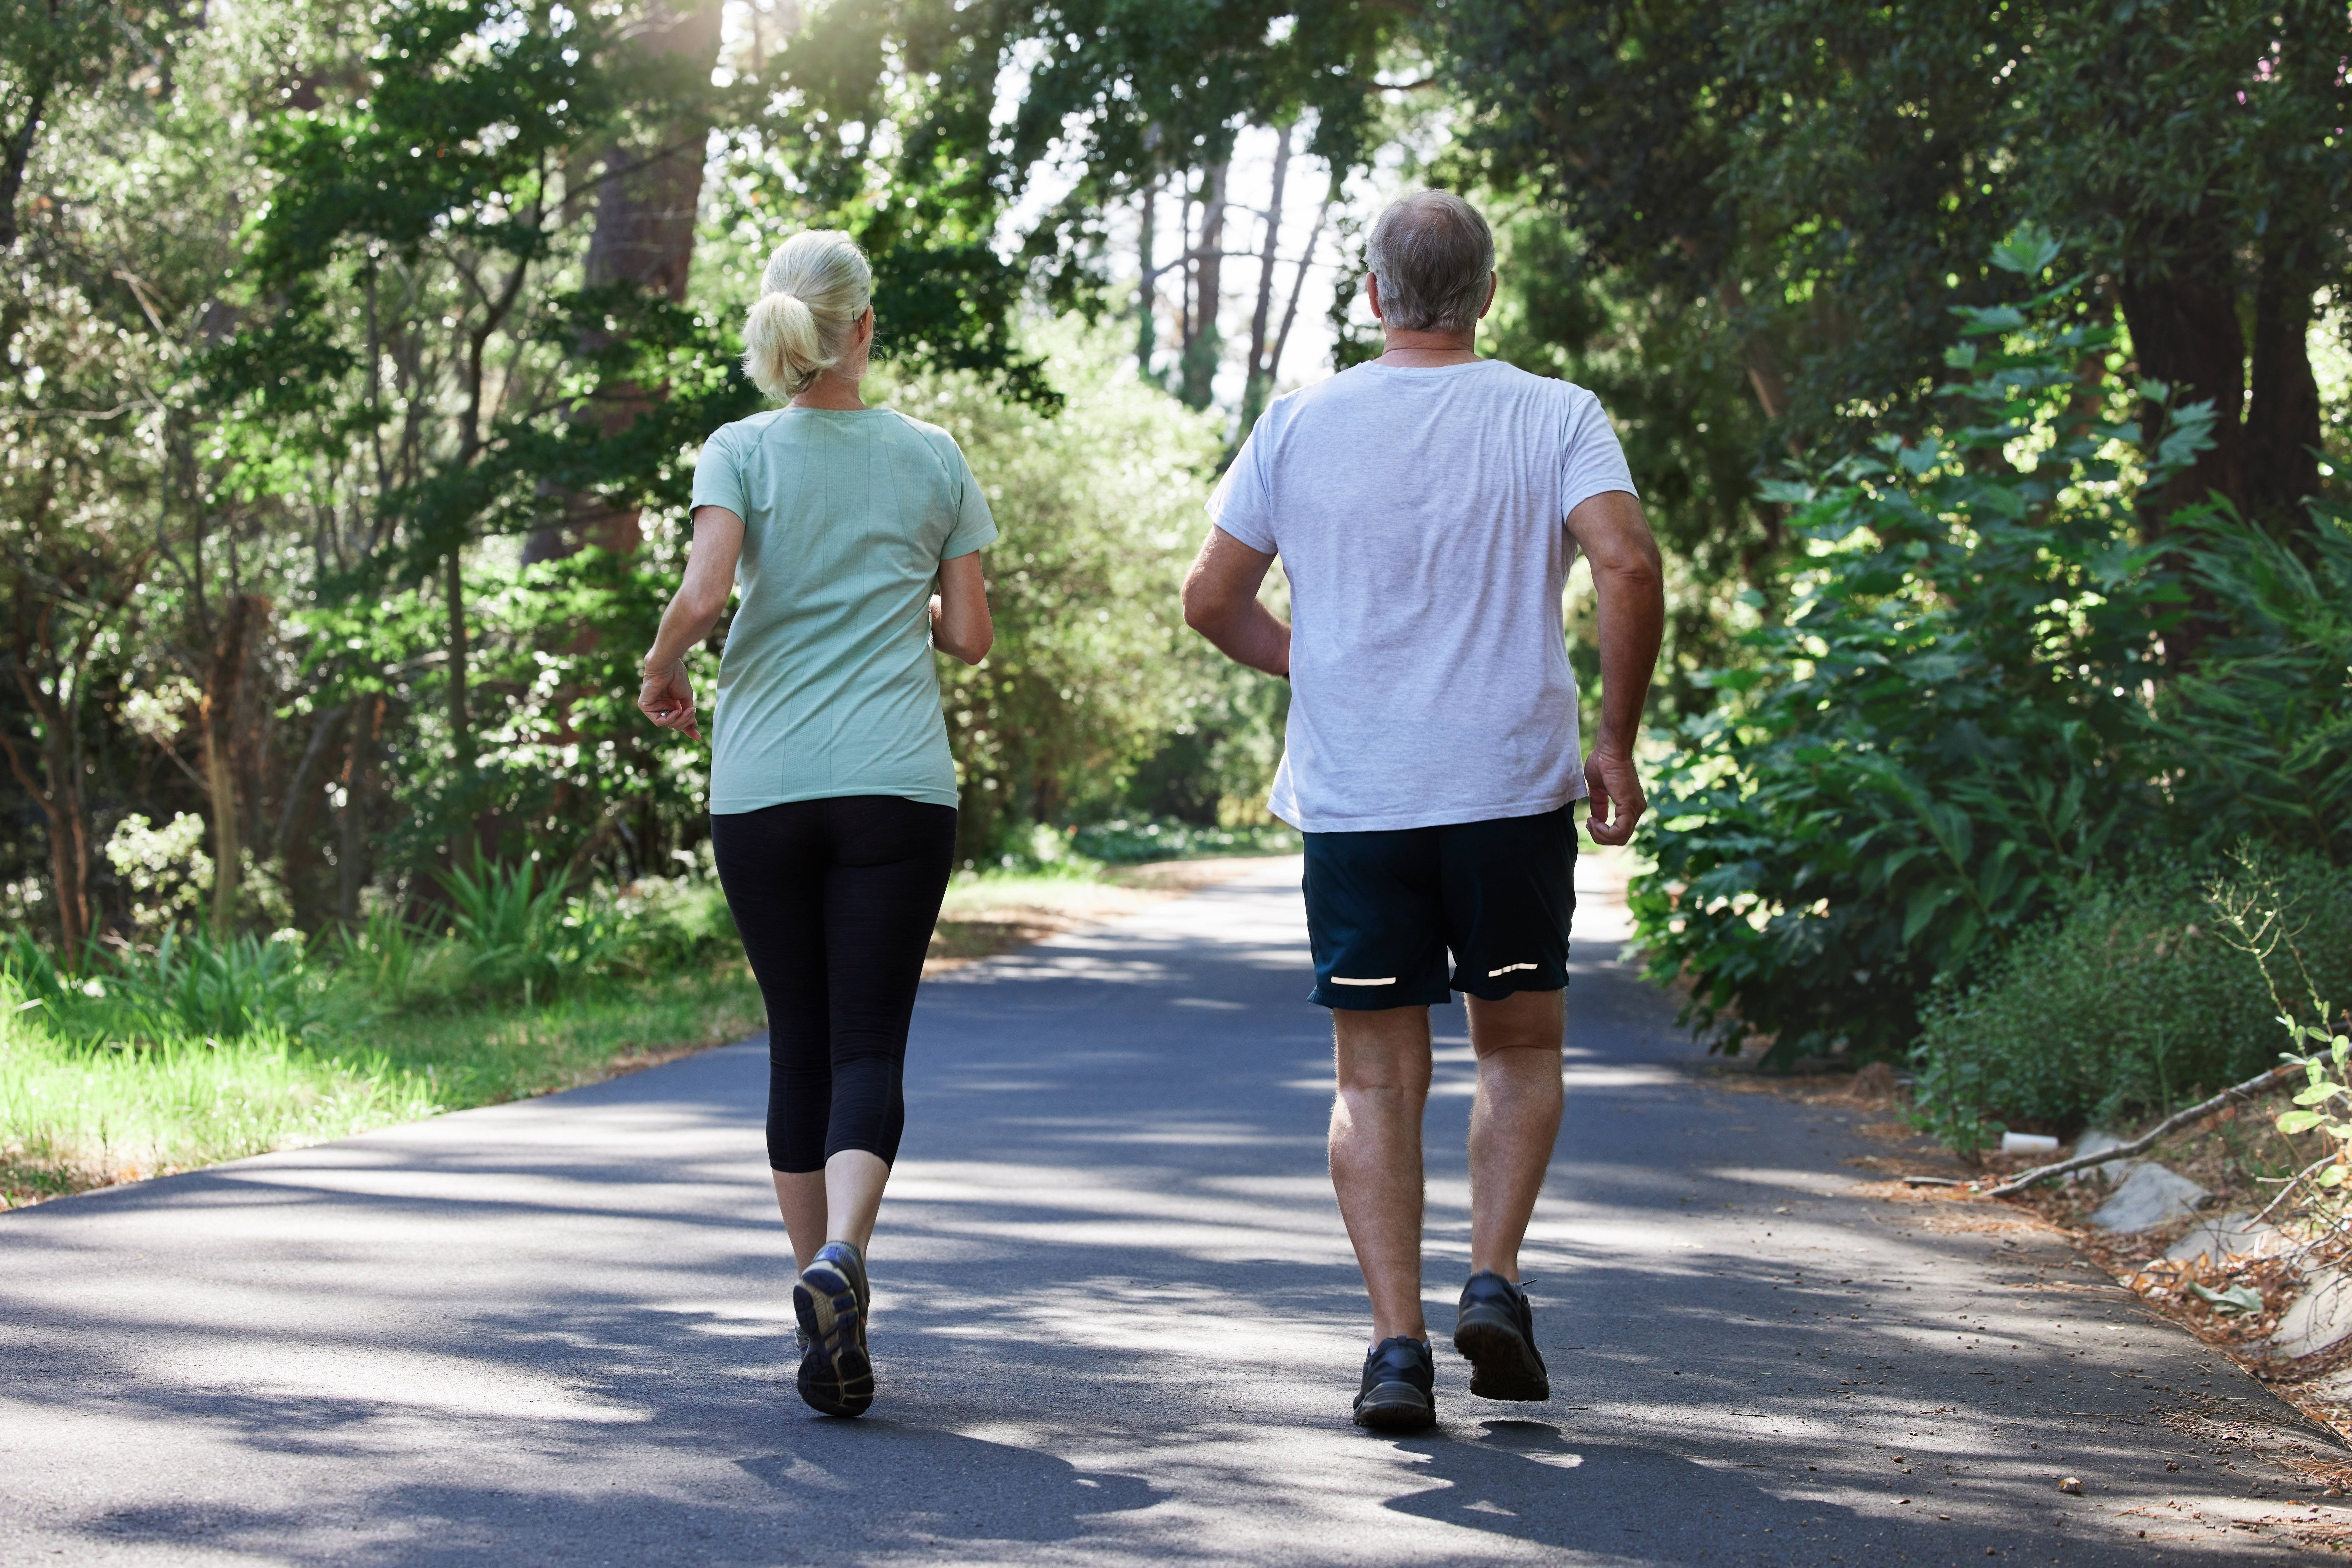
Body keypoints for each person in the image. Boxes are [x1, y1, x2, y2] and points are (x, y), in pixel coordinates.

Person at [1181, 190, 1665, 1430]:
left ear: (1374, 295)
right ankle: (1491, 1275)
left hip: (1360, 800)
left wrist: (1328, 662)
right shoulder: (1554, 414)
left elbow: (1210, 598)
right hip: (1505, 791)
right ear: (1487, 293)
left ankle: (1394, 1349)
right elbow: (1627, 560)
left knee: (1374, 1078)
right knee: (1518, 1047)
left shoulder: (1298, 424)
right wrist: (1612, 738)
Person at [637, 229, 996, 1419]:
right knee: (868, 1044)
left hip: (764, 787)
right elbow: (970, 635)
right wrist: (899, 604)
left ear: (780, 329)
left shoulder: (738, 449)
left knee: (799, 1035)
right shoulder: (935, 457)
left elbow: (704, 593)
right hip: (896, 785)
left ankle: (812, 1292)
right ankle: (846, 1255)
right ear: (865, 330)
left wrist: (660, 671)